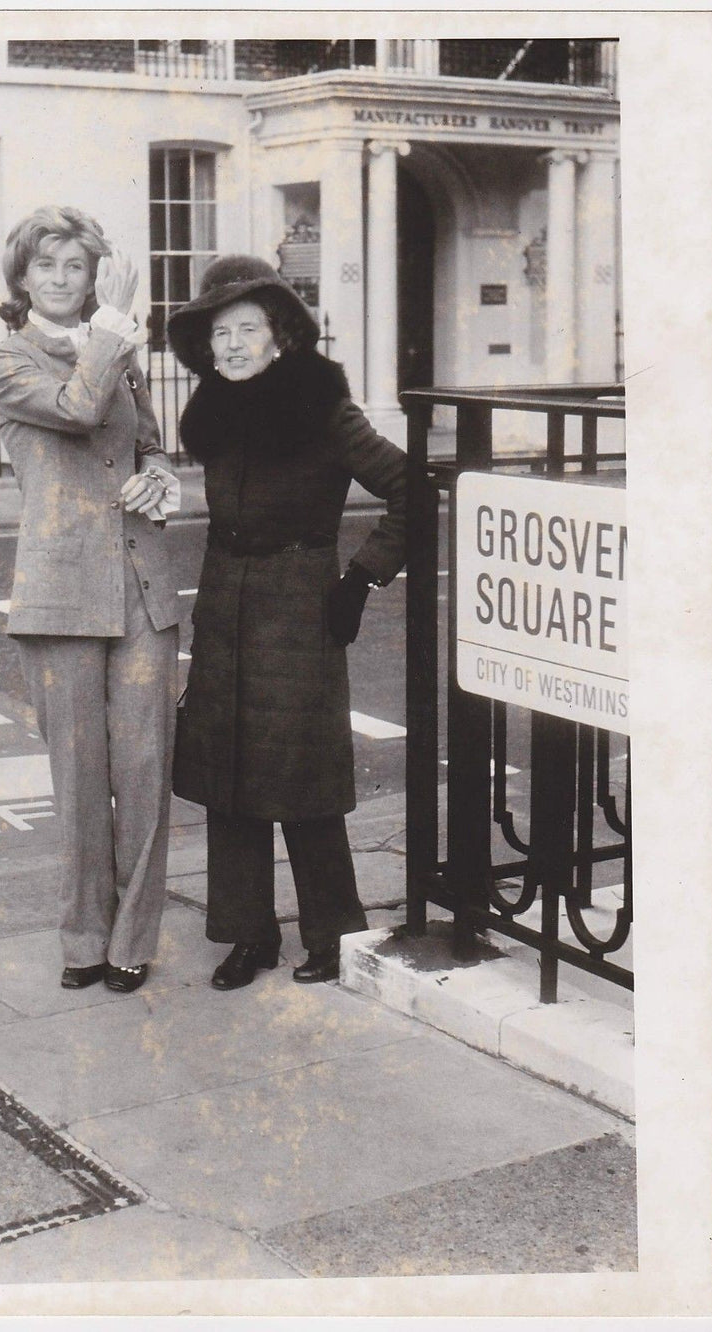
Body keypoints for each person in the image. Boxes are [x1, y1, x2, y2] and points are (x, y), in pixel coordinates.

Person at [168, 255, 431, 990]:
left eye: (247, 329)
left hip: (300, 600)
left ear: (280, 335)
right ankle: (250, 936)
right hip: (224, 601)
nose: (231, 345)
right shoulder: (216, 410)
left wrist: (361, 576)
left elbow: (414, 489)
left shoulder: (325, 408)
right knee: (229, 773)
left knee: (303, 775)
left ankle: (332, 933)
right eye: (219, 333)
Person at [0, 205, 180, 994]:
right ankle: (83, 940)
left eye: (77, 267)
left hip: (140, 588)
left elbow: (149, 441)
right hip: (60, 594)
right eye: (47, 267)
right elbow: (79, 409)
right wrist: (116, 325)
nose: (64, 281)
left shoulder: (117, 350)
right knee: (79, 777)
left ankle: (132, 940)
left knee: (144, 772)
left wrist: (162, 478)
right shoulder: (7, 358)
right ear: (22, 278)